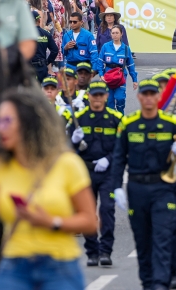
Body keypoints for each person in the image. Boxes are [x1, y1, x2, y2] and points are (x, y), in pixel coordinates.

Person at [0, 89, 98, 290]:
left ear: (28, 122)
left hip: (60, 267)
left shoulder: (67, 163)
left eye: (7, 121)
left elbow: (91, 222)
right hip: (13, 268)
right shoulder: (0, 167)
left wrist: (50, 222)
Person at [111, 79, 176, 290]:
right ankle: (148, 283)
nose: (149, 98)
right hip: (137, 188)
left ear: (158, 97)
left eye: (152, 94)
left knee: (163, 238)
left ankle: (160, 284)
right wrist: (116, 188)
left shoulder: (172, 123)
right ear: (139, 97)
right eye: (145, 94)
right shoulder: (128, 124)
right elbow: (119, 157)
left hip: (163, 188)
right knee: (143, 240)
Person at [67, 81, 123, 267]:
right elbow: (66, 145)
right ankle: (92, 252)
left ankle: (106, 250)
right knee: (88, 213)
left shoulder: (115, 118)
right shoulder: (79, 118)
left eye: (101, 95)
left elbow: (122, 146)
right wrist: (74, 140)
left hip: (108, 171)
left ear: (106, 96)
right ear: (89, 96)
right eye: (94, 95)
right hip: (85, 171)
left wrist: (109, 158)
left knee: (107, 210)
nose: (97, 99)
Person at [96, 25, 138, 111]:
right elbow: (100, 62)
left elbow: (130, 65)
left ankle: (120, 115)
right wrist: (101, 75)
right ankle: (112, 121)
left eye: (117, 33)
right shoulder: (105, 46)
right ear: (111, 34)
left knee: (120, 98)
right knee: (109, 101)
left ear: (121, 34)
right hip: (108, 76)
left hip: (120, 77)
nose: (115, 35)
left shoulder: (126, 49)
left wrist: (135, 80)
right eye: (113, 33)